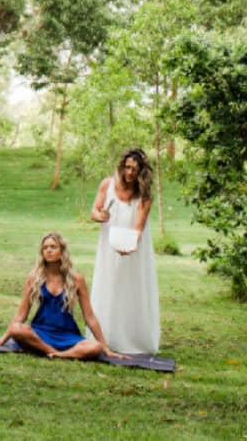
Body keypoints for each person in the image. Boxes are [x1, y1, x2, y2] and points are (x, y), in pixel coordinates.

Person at [0, 232, 121, 359]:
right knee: (17, 328)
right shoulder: (34, 277)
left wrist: (105, 347)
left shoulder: (77, 279)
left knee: (95, 347)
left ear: (62, 251)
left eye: (53, 247)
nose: (48, 250)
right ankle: (54, 352)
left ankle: (55, 354)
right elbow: (21, 315)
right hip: (40, 332)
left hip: (67, 335)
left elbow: (89, 317)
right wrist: (0, 341)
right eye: (45, 248)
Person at [89, 147, 161, 355]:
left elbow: (138, 228)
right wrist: (99, 216)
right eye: (127, 168)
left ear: (141, 172)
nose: (130, 173)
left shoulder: (144, 196)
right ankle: (105, 337)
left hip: (132, 248)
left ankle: (132, 339)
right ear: (121, 166)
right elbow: (94, 210)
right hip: (108, 246)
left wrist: (128, 246)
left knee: (130, 288)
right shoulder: (107, 184)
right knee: (109, 284)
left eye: (135, 169)